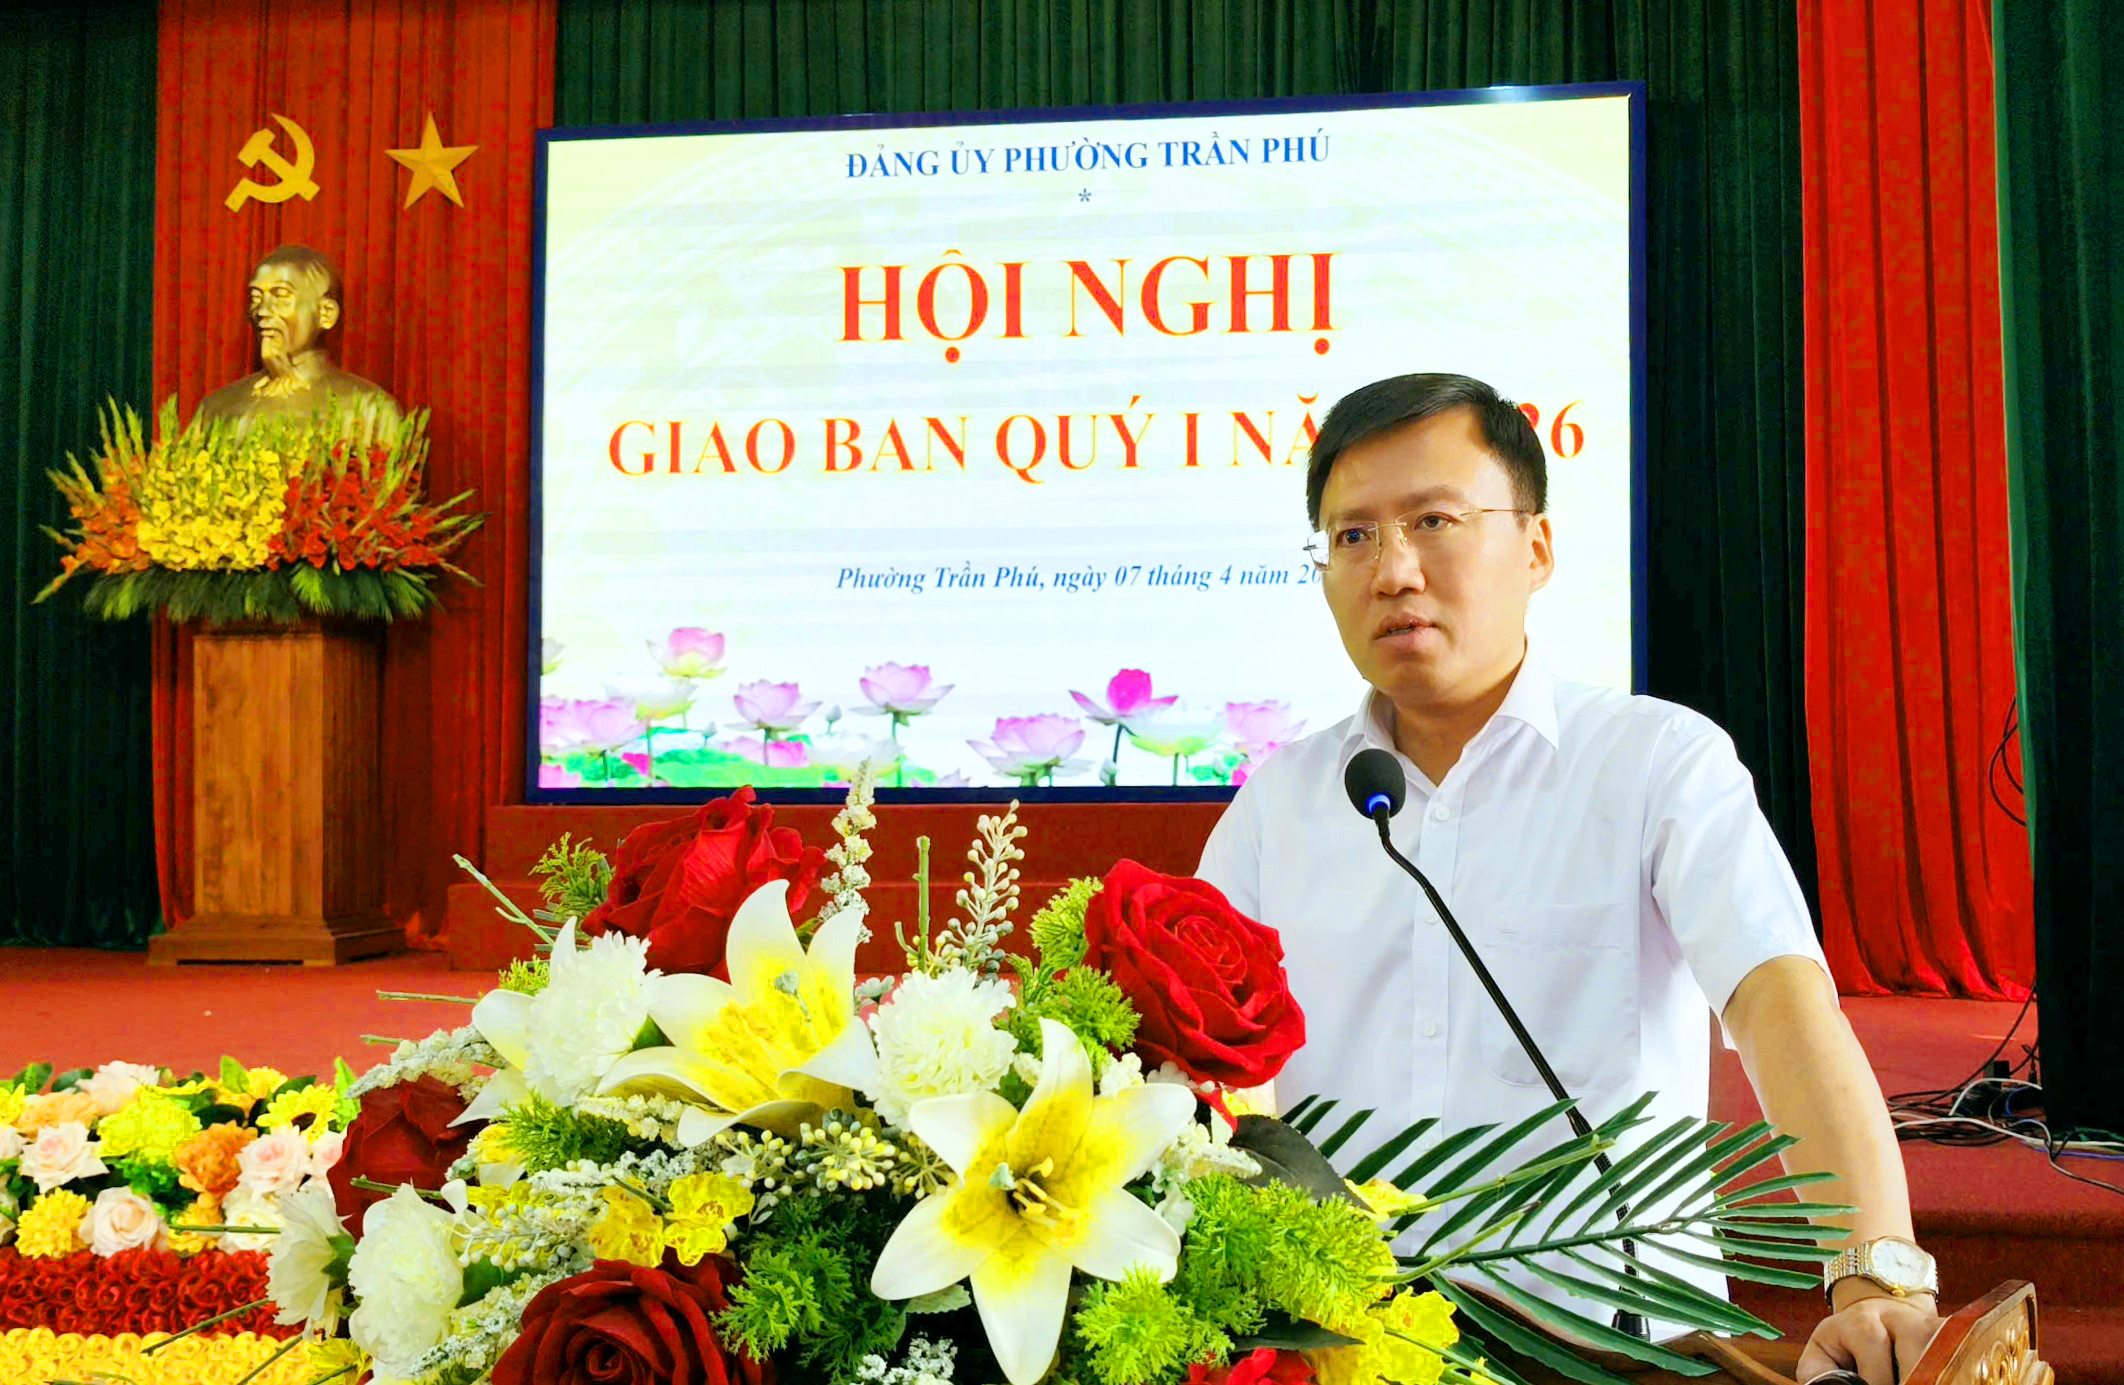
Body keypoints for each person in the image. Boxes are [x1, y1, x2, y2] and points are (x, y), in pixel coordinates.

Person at [1196, 373, 1940, 1385]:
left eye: (1433, 521)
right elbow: (1203, 1071)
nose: (1394, 570)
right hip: (1338, 1350)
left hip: (1614, 1349)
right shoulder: (1278, 804)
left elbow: (1776, 1001)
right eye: (1353, 535)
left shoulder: (1656, 762)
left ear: (1536, 548)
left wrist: (1875, 1273)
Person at [195, 244, 400, 427]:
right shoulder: (217, 408)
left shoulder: (370, 410)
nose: (262, 311)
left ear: (326, 313)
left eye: (281, 296)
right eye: (256, 298)